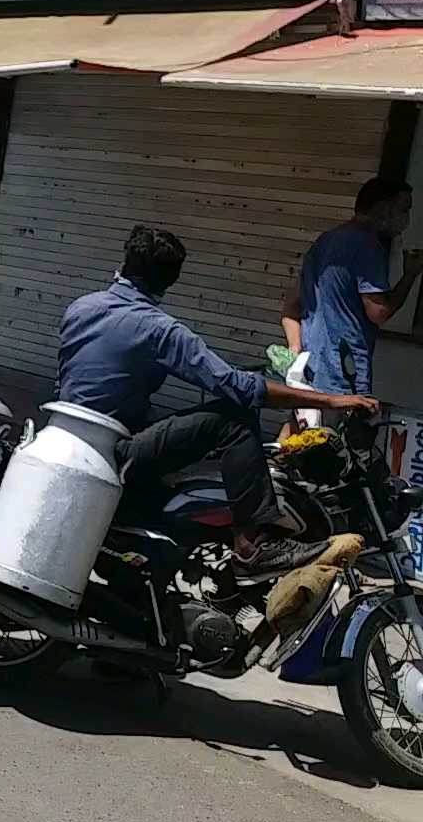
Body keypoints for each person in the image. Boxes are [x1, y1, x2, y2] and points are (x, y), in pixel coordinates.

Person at [59, 226, 378, 577]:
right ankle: (254, 547)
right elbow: (236, 386)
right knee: (233, 419)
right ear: (171, 279)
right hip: (116, 452)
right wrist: (331, 399)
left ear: (126, 261)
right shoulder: (158, 329)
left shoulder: (81, 308)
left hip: (68, 440)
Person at [280, 176, 423, 403]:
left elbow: (291, 306)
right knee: (330, 435)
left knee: (303, 431)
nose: (405, 219)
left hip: (311, 367)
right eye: (403, 209)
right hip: (343, 373)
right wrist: (410, 275)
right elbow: (379, 312)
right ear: (384, 207)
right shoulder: (368, 246)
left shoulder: (326, 240)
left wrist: (295, 350)